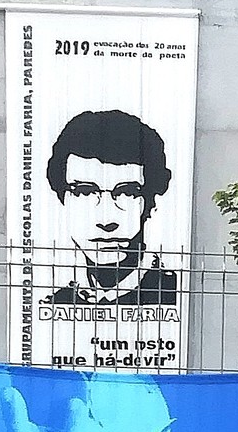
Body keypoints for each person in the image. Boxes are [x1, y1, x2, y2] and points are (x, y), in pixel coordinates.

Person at [42, 108, 180, 307]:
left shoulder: (172, 293)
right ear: (62, 198)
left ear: (151, 203)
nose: (106, 221)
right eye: (84, 191)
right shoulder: (57, 302)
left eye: (128, 192)